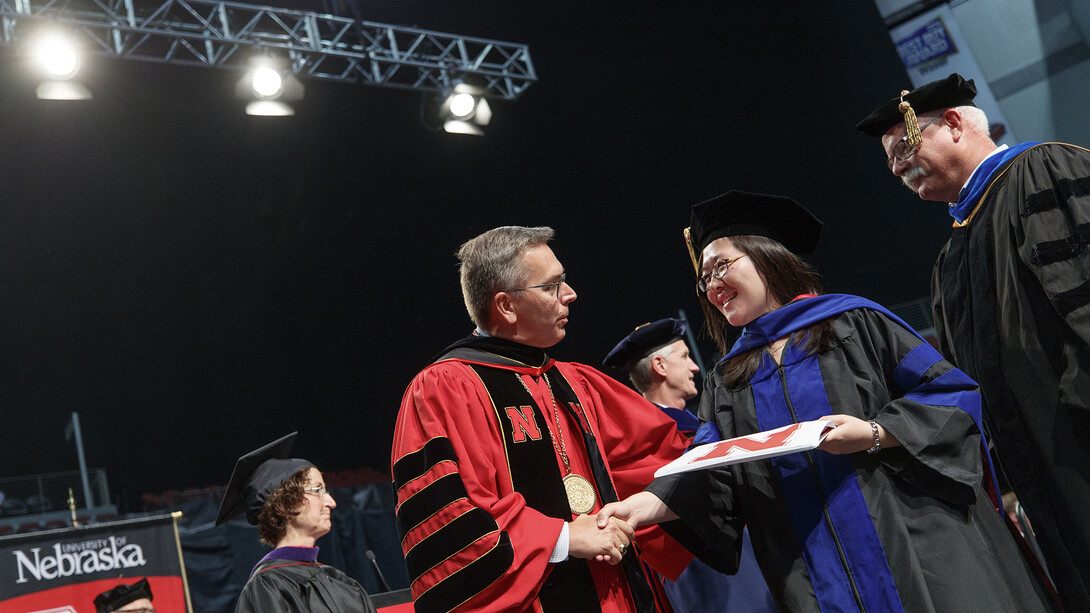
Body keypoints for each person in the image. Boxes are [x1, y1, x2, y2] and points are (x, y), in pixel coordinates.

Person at [596, 191, 1055, 612]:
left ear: (765, 256)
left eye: (721, 265)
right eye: (703, 279)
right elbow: (712, 470)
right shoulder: (728, 379)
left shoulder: (854, 323)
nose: (712, 285)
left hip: (915, 542)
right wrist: (646, 507)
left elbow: (949, 394)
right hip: (811, 572)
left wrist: (875, 433)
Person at [856, 72, 1090, 610]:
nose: (896, 168)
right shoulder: (951, 259)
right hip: (1043, 469)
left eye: (902, 147)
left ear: (955, 123)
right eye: (889, 159)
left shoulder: (1044, 169)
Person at [391, 226, 693, 613]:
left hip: (620, 593)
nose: (570, 294)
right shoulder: (444, 389)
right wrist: (564, 538)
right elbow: (452, 519)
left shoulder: (577, 382)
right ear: (506, 305)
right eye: (552, 286)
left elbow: (662, 456)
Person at [604, 319, 776, 613]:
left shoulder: (694, 425)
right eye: (684, 357)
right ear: (660, 366)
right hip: (703, 567)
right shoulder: (640, 441)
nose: (695, 367)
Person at [215, 432, 377, 613]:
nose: (331, 502)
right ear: (284, 504)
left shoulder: (340, 581)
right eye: (318, 490)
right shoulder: (268, 586)